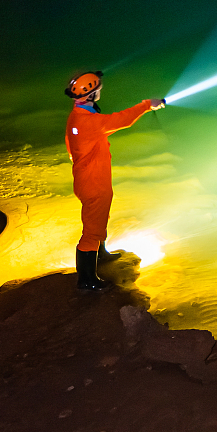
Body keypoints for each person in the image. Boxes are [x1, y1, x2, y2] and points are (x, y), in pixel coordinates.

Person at [63, 71, 165, 292]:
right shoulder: (89, 121)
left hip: (87, 179)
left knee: (99, 218)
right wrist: (147, 104)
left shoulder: (76, 116)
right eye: (98, 89)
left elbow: (69, 141)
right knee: (91, 231)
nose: (100, 91)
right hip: (94, 182)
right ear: (90, 94)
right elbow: (122, 120)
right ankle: (87, 280)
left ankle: (102, 254)